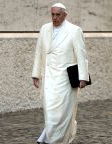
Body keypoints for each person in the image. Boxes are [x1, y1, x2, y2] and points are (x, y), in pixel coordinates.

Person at [32, 3, 89, 144]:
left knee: (62, 114)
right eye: (52, 14)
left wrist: (83, 77)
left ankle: (51, 140)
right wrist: (36, 74)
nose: (55, 17)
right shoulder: (44, 29)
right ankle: (47, 137)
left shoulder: (74, 30)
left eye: (58, 15)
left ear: (65, 15)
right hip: (49, 79)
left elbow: (81, 55)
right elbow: (39, 52)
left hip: (65, 80)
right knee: (50, 113)